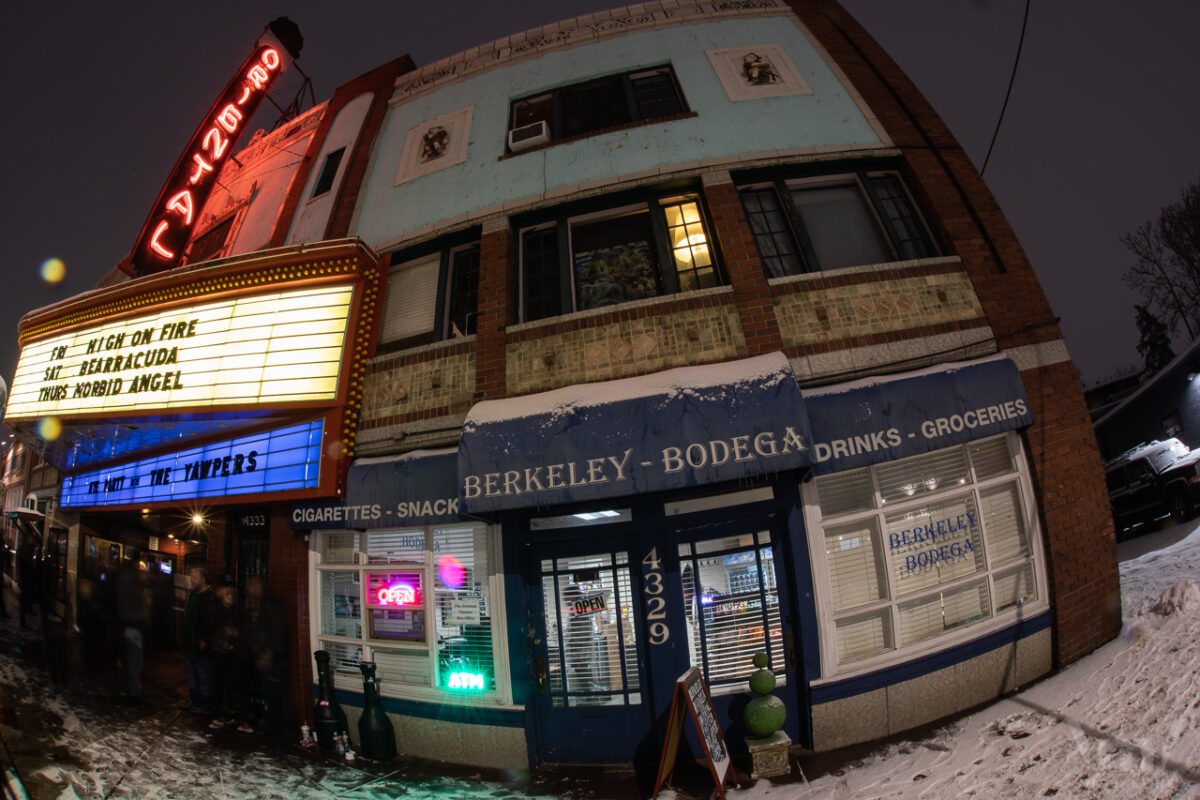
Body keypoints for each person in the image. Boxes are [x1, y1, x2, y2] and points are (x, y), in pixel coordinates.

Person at [114, 559, 148, 704]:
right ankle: (134, 692)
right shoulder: (131, 581)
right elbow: (136, 603)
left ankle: (131, 689)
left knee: (131, 658)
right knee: (135, 660)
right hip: (133, 623)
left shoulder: (121, 579)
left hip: (125, 623)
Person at [181, 568, 216, 712]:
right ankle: (194, 699)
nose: (192, 580)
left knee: (203, 674)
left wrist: (205, 638)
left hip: (201, 643)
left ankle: (204, 703)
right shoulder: (193, 595)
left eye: (195, 577)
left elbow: (211, 621)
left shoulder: (209, 597)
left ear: (203, 579)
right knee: (193, 673)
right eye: (191, 577)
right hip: (191, 642)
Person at [16, 529, 40, 631]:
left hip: (27, 578)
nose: (31, 540)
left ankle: (26, 614)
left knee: (27, 598)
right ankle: (22, 621)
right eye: (30, 539)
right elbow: (24, 565)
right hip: (25, 578)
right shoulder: (24, 550)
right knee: (24, 600)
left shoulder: (28, 549)